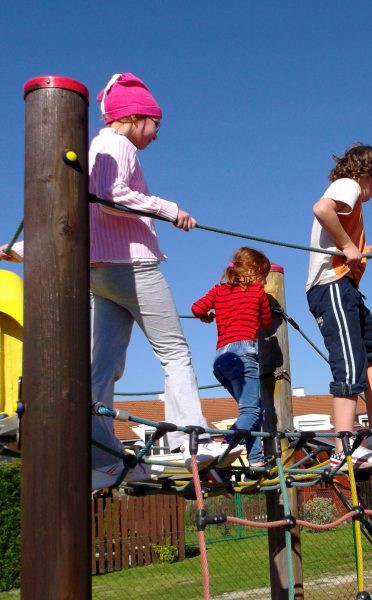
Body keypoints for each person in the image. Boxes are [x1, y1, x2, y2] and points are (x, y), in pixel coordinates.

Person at [3, 73, 232, 489]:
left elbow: (79, 217)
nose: (156, 134)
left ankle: (103, 457)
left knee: (103, 367)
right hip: (132, 267)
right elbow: (112, 198)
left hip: (99, 272)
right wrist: (169, 209)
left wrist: (23, 249)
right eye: (155, 124)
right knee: (174, 352)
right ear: (136, 117)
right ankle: (192, 441)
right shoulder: (117, 145)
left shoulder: (92, 149)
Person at [305, 143, 372, 470]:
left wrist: (369, 247)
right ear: (367, 175)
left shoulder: (348, 194)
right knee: (349, 364)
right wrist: (349, 246)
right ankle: (342, 449)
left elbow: (343, 244)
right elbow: (321, 209)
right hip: (331, 285)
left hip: (344, 285)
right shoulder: (348, 185)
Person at [192, 247, 272, 471]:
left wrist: (208, 316)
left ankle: (255, 460)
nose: (264, 281)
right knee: (252, 411)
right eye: (263, 276)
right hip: (243, 355)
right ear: (254, 272)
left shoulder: (219, 290)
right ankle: (224, 448)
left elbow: (197, 308)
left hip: (221, 360)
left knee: (253, 410)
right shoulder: (257, 292)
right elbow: (266, 321)